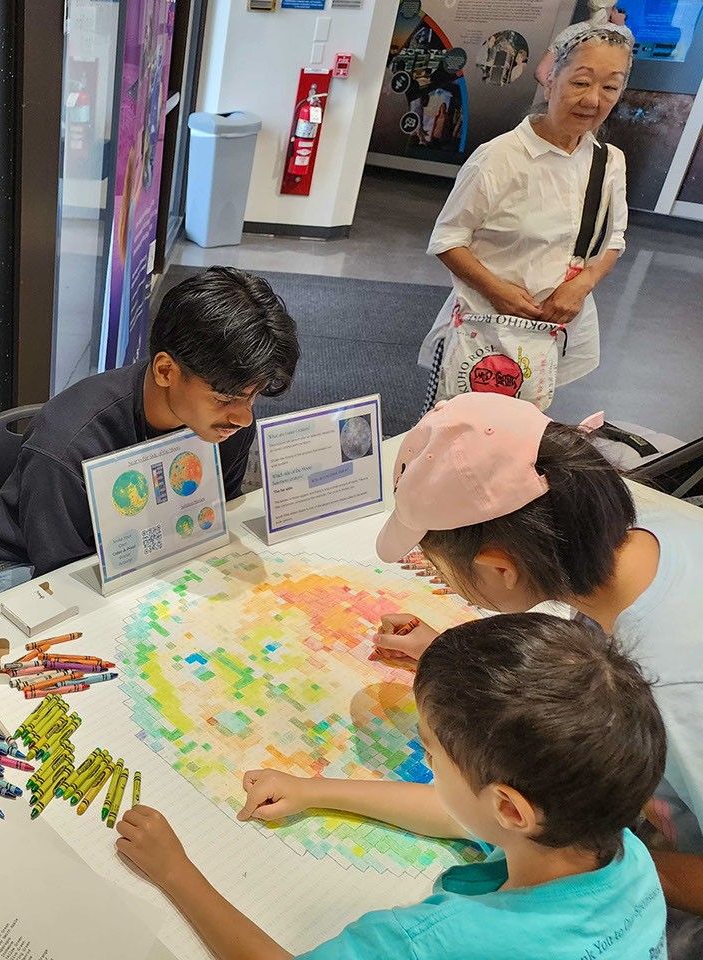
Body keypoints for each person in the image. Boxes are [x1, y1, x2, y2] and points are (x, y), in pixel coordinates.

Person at [116, 613, 668, 959]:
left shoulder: (423, 944)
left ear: (511, 808)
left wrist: (176, 873)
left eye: (429, 751)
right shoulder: (620, 850)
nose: (426, 762)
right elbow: (461, 814)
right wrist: (315, 789)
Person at [370, 391, 703, 920]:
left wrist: (579, 858)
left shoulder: (678, 686)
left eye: (444, 571)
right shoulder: (651, 538)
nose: (444, 582)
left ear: (500, 568)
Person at [0, 266, 300, 595]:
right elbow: (62, 575)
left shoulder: (227, 425)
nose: (244, 418)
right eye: (226, 398)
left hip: (152, 543)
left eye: (252, 396)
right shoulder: (67, 447)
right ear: (165, 371)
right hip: (35, 563)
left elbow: (217, 513)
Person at [420, 26, 632, 399]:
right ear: (550, 80)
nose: (593, 100)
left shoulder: (608, 162)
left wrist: (581, 285)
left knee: (520, 440)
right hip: (484, 330)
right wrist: (497, 291)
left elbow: (613, 240)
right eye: (581, 82)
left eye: (610, 88)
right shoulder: (500, 157)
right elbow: (448, 239)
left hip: (550, 335)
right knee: (459, 437)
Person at [536, 1, 635, 86]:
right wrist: (621, 25)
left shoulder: (571, 31)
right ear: (613, 9)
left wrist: (556, 94)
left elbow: (541, 72)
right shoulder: (622, 34)